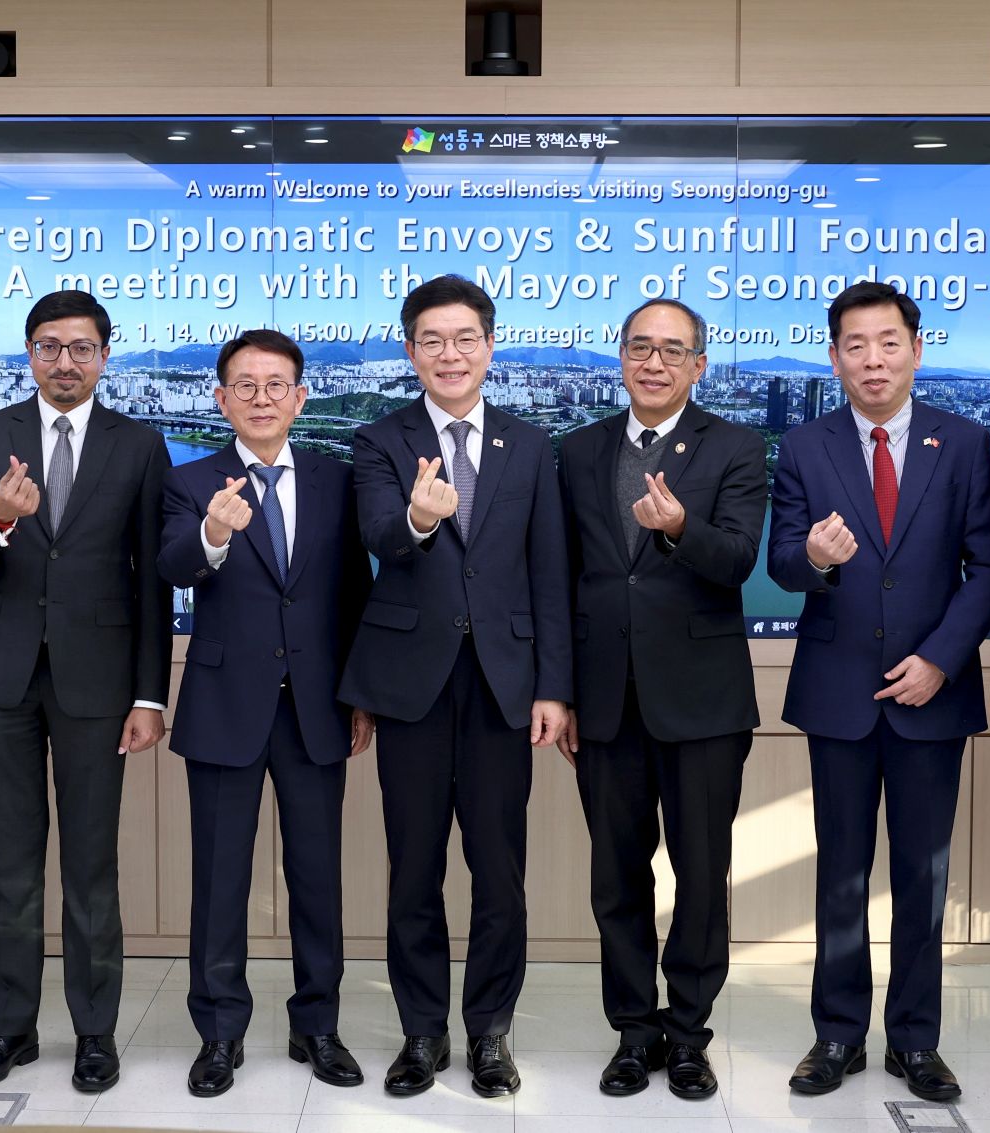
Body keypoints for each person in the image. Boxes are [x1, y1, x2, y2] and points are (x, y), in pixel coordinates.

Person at [767, 282, 990, 1100]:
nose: (873, 359)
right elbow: (783, 561)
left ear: (916, 348)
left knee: (922, 876)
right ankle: (837, 1034)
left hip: (931, 692)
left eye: (888, 342)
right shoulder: (805, 444)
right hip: (838, 691)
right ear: (834, 357)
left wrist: (941, 657)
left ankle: (915, 1039)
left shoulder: (964, 441)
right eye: (856, 345)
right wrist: (816, 557)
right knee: (841, 872)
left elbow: (989, 566)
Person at [339, 274, 572, 1099]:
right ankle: (421, 1031)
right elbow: (378, 534)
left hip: (506, 684)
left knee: (499, 869)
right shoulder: (379, 439)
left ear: (490, 346)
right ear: (410, 351)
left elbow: (549, 571)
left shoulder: (530, 443)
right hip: (411, 684)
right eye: (432, 340)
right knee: (413, 866)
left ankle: (491, 1031)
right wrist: (420, 518)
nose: (450, 353)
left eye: (465, 338)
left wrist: (554, 686)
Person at [0, 290, 172, 1094]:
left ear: (105, 355)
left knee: (91, 865)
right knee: (10, 865)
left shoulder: (139, 444)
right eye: (49, 346)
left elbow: (152, 579)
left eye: (80, 347)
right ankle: (10, 1028)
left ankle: (95, 1031)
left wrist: (150, 694)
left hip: (100, 681)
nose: (64, 361)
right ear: (29, 353)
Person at [557, 298, 767, 1100]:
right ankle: (633, 1030)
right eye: (640, 347)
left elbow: (739, 558)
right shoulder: (580, 448)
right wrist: (560, 691)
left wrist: (680, 528)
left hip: (703, 700)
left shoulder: (735, 445)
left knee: (701, 874)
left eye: (672, 350)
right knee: (616, 877)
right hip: (603, 699)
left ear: (698, 365)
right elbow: (560, 576)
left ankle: (687, 1034)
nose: (654, 362)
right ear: (620, 357)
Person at [156, 329, 374, 1098]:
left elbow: (354, 593)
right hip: (225, 706)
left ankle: (318, 1024)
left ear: (300, 397)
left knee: (318, 875)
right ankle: (220, 1032)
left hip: (317, 706)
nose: (260, 397)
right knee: (219, 879)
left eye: (275, 384)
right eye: (244, 385)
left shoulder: (336, 479)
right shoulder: (190, 480)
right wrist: (213, 531)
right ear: (220, 399)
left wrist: (358, 694)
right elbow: (173, 564)